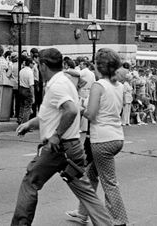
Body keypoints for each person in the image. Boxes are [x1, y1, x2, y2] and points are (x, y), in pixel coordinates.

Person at [11, 48, 113, 226]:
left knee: (30, 181)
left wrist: (56, 135)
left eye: (38, 65)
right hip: (72, 147)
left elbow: (71, 111)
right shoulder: (64, 82)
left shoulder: (57, 85)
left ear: (43, 65)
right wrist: (30, 124)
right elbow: (52, 115)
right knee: (85, 191)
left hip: (58, 149)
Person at [66, 49, 128, 226]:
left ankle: (118, 219)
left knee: (109, 182)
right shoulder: (119, 86)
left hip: (101, 138)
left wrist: (80, 107)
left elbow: (91, 115)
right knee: (90, 175)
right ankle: (82, 212)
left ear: (98, 67)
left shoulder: (98, 85)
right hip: (116, 136)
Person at [18, 56, 36, 125]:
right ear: (30, 64)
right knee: (27, 108)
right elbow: (31, 85)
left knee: (22, 106)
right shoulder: (30, 72)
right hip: (27, 90)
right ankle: (25, 124)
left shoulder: (21, 71)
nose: (33, 65)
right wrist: (33, 96)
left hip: (21, 88)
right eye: (33, 63)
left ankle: (20, 120)